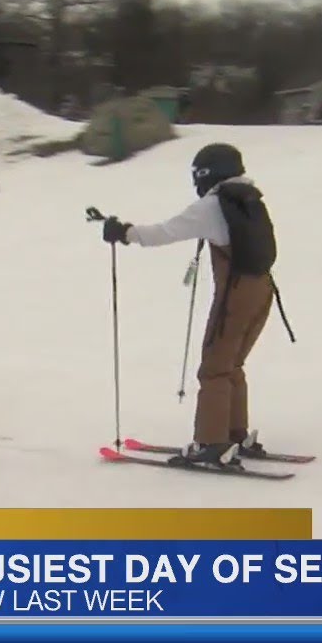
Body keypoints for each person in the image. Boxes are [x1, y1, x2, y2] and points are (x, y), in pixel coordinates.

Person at [98, 143, 282, 468]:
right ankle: (235, 435)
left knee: (214, 368)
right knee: (231, 364)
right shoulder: (250, 199)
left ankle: (211, 443)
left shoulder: (212, 206)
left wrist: (124, 233)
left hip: (235, 296)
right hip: (263, 290)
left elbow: (164, 232)